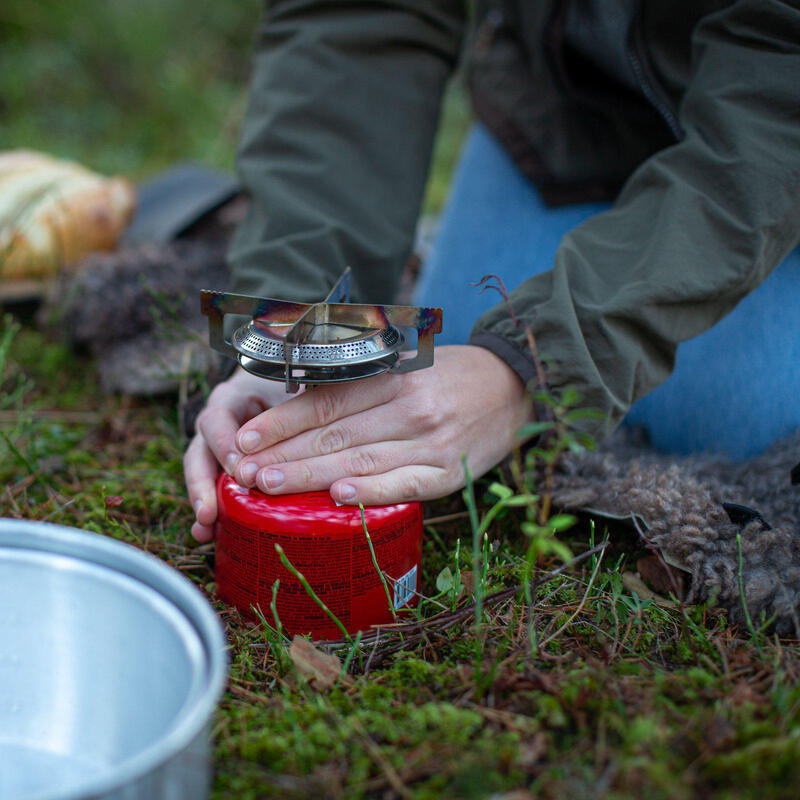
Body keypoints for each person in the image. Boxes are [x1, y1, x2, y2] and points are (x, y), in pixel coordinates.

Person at [185, 0, 800, 543]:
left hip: (768, 132)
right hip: (568, 116)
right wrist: (289, 329)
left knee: (731, 423)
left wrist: (528, 364)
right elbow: (357, 20)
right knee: (428, 375)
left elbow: (776, 109)